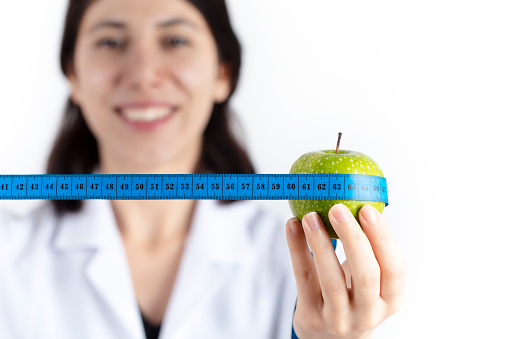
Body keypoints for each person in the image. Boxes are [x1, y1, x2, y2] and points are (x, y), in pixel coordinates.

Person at [0, 0, 406, 338]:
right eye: (111, 41)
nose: (143, 74)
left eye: (176, 40)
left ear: (222, 73)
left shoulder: (306, 273)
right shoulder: (9, 257)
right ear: (73, 74)